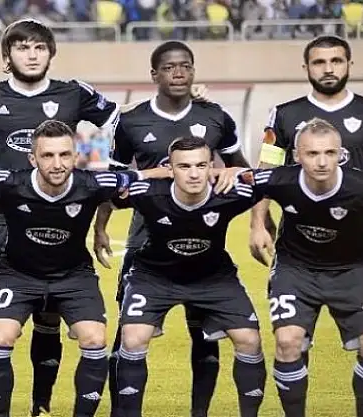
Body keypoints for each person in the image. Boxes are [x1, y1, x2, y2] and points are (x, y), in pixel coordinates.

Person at [0, 20, 121, 417]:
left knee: (50, 317)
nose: (32, 55)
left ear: (51, 53)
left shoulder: (74, 92)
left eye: (40, 47)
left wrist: (112, 164)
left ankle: (41, 402)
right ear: (7, 56)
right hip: (1, 220)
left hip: (58, 217)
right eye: (22, 48)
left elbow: (119, 119)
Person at [91, 40, 259, 417]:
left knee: (205, 333)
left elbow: (242, 168)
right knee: (129, 333)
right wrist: (101, 227)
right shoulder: (132, 121)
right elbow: (116, 181)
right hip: (144, 239)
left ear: (194, 71)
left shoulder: (215, 116)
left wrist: (256, 218)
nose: (179, 73)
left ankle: (199, 412)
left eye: (186, 66)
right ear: (155, 74)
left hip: (202, 237)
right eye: (169, 67)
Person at [0, 120, 157, 417]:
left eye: (64, 155)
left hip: (74, 276)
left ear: (75, 156)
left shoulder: (93, 183)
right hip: (17, 274)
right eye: (47, 155)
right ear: (32, 158)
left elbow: (141, 176)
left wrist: (204, 172)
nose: (57, 164)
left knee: (95, 339)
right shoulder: (10, 182)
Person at [110, 136, 266, 417]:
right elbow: (107, 188)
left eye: (201, 165)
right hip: (154, 276)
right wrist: (148, 174)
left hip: (214, 277)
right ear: (170, 168)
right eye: (184, 166)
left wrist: (239, 174)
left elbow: (273, 182)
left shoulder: (229, 192)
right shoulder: (148, 192)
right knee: (132, 338)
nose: (194, 174)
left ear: (211, 167)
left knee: (249, 340)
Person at [249, 34, 363, 376]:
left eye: (336, 61)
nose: (328, 68)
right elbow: (266, 169)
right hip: (299, 243)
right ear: (306, 67)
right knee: (291, 340)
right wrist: (258, 222)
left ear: (349, 64)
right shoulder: (285, 114)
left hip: (357, 245)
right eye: (319, 62)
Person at [245, 118, 363, 417]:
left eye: (330, 153)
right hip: (295, 269)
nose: (322, 162)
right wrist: (257, 225)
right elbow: (249, 182)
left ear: (341, 154)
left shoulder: (362, 187)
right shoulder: (282, 179)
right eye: (312, 153)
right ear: (297, 156)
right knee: (287, 341)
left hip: (353, 269)